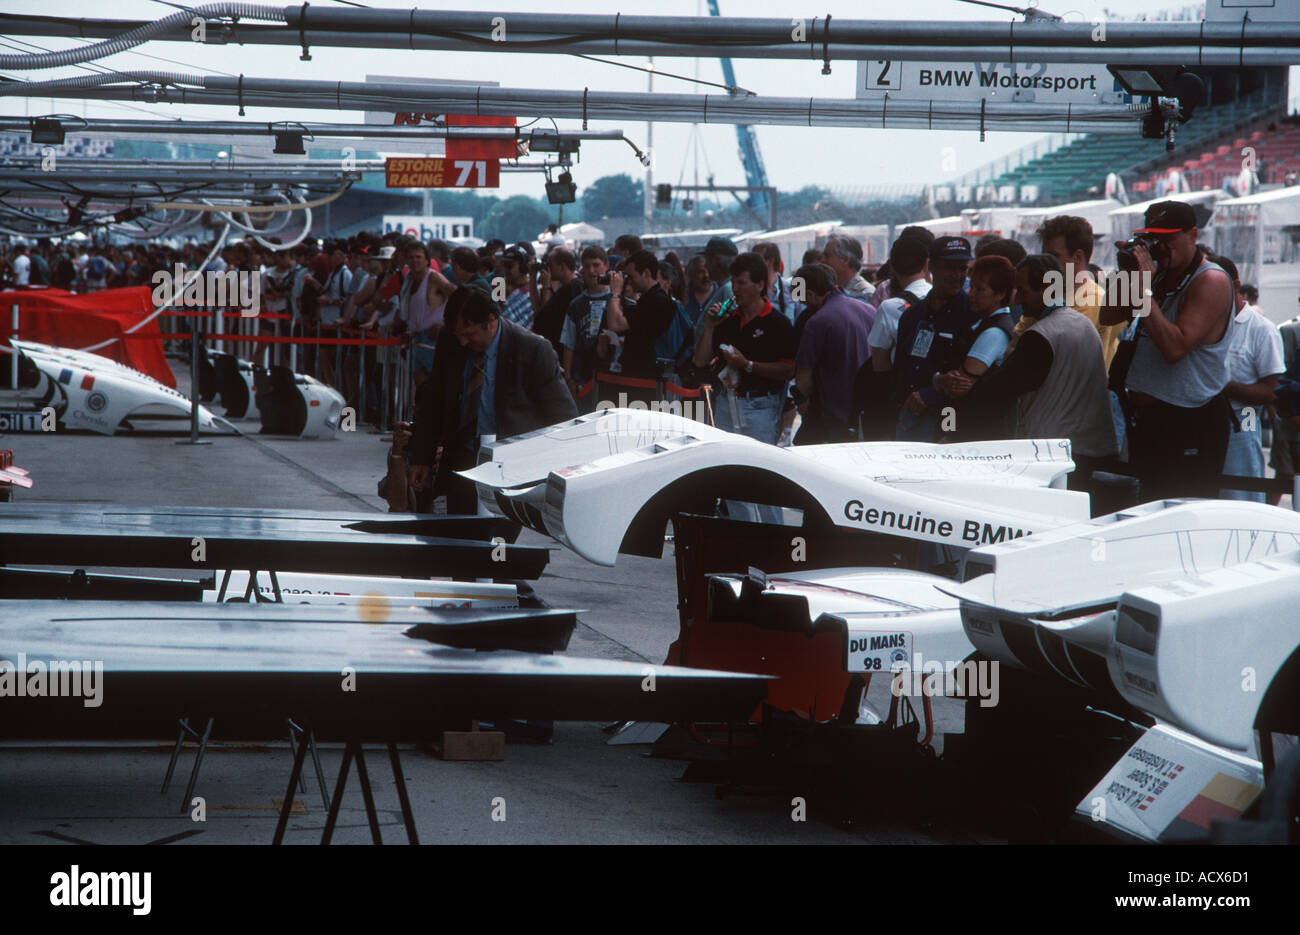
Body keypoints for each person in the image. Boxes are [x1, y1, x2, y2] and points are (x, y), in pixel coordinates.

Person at [1100, 200, 1237, 502]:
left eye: (1168, 238)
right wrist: (1127, 275)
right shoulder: (1160, 275)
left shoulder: (1210, 280)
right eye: (1153, 239)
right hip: (1152, 419)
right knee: (1147, 508)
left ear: (1192, 235)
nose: (1160, 247)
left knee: (1181, 514)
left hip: (1190, 418)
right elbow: (1109, 315)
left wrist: (1145, 290)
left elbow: (1175, 347)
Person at [407, 289, 576, 514]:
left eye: (469, 334)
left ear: (491, 322)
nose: (463, 341)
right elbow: (434, 401)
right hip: (462, 461)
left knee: (498, 538)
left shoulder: (532, 349)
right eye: (459, 335)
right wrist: (422, 457)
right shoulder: (452, 341)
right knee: (461, 538)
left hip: (509, 466)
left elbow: (562, 415)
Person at [962, 255, 1117, 486]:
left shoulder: (1041, 335)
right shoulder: (1083, 324)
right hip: (1090, 448)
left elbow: (997, 393)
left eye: (1023, 291)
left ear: (1046, 289)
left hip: (1053, 455)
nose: (1018, 300)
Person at [692, 251, 796, 523]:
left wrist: (748, 364)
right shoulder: (727, 319)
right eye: (733, 283)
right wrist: (710, 327)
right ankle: (743, 543)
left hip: (760, 406)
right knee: (732, 480)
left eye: (741, 283)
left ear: (759, 284)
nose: (735, 289)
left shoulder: (778, 323)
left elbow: (787, 369)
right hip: (727, 403)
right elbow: (701, 360)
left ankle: (775, 544)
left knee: (764, 480)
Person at [891, 236, 976, 441]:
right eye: (950, 267)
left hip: (951, 424)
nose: (957, 276)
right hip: (911, 421)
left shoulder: (972, 315)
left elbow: (969, 378)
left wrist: (933, 390)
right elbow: (901, 368)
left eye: (962, 268)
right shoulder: (912, 315)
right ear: (931, 267)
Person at [1215, 255, 1284, 502]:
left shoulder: (1261, 329)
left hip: (1244, 419)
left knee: (1240, 494)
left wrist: (1222, 386)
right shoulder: (1205, 321)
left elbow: (1273, 390)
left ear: (1234, 286)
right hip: (1204, 420)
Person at [934, 255, 1016, 440]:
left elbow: (959, 386)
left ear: (1000, 293)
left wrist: (939, 380)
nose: (971, 294)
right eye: (972, 287)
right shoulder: (981, 324)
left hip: (975, 433)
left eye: (980, 289)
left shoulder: (994, 332)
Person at [1026, 215, 1121, 368]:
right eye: (1043, 256)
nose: (1044, 264)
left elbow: (1047, 359)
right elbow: (1017, 347)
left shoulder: (1092, 300)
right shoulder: (1050, 294)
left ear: (1077, 257)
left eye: (1052, 257)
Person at [793, 263, 873, 443]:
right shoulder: (868, 309)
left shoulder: (817, 322)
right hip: (868, 409)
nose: (803, 306)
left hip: (833, 414)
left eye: (804, 300)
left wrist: (804, 401)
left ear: (812, 295)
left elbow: (803, 380)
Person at [608, 250, 675, 399]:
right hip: (640, 379)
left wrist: (615, 293)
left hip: (645, 382)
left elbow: (615, 324)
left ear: (646, 273)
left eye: (631, 277)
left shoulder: (656, 302)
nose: (628, 282)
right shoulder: (648, 300)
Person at [560, 245, 618, 412]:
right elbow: (568, 343)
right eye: (587, 266)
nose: (592, 271)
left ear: (606, 266)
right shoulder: (576, 305)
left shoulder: (615, 299)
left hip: (611, 376)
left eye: (596, 265)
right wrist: (569, 377)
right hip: (583, 377)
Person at [532, 246, 582, 357]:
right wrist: (532, 278)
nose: (548, 269)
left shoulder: (570, 289)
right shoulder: (568, 287)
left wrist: (546, 286)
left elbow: (544, 318)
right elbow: (537, 309)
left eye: (550, 265)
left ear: (562, 266)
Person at [821, 234, 874, 305]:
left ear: (845, 260)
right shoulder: (827, 290)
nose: (822, 260)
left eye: (827, 256)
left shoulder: (866, 294)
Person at [498, 246, 535, 329]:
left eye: (509, 266)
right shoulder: (498, 287)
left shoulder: (533, 290)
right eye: (504, 266)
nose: (506, 270)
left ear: (523, 267)